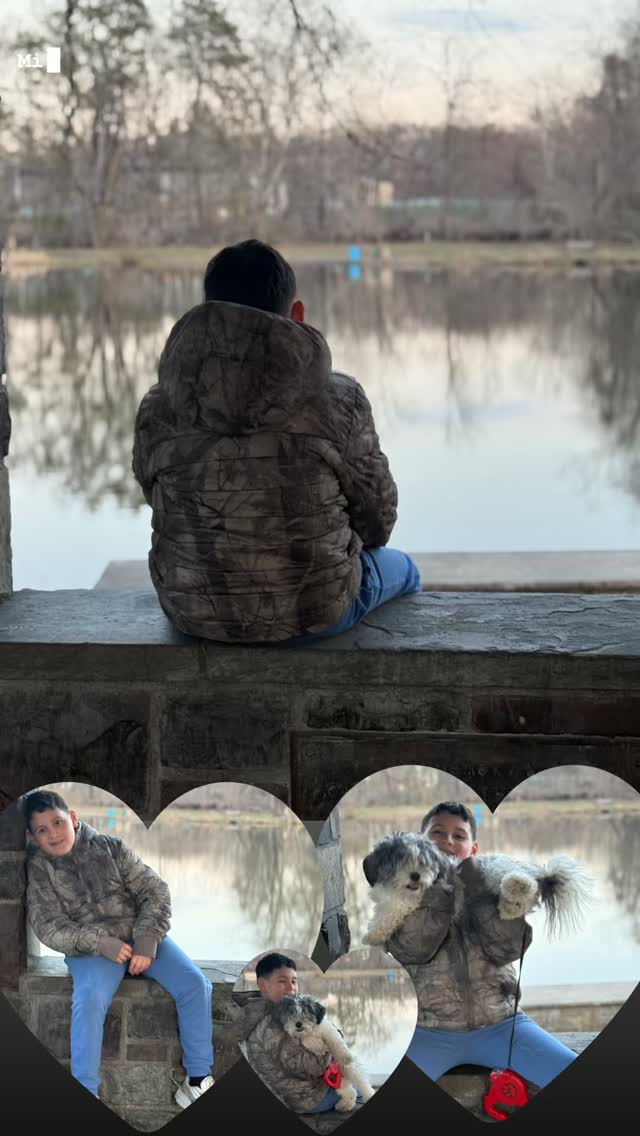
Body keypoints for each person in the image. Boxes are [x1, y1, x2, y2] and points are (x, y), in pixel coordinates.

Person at [132, 238, 421, 644]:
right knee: (406, 570)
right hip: (316, 612)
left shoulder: (159, 406)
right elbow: (377, 519)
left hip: (192, 613)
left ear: (208, 311)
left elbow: (157, 497)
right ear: (296, 315)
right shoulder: (338, 400)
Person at [21, 789, 214, 1109]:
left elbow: (154, 890)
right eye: (42, 830)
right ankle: (86, 1087)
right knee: (90, 998)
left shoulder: (111, 847)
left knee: (196, 985)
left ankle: (196, 1079)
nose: (53, 834)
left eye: (57, 823)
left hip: (140, 936)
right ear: (33, 836)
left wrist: (147, 940)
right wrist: (99, 943)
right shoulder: (40, 871)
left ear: (72, 818)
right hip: (91, 951)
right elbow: (49, 927)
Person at [388, 801, 578, 1094]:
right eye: (437, 832)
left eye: (459, 836)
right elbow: (413, 949)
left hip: (503, 1027)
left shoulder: (494, 885)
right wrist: (438, 893)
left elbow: (506, 950)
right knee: (367, 1093)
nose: (448, 841)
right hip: (429, 1032)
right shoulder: (399, 895)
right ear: (419, 842)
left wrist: (479, 892)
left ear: (473, 849)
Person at [229, 952, 360, 1115]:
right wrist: (331, 1048)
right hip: (306, 1098)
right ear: (262, 984)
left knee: (355, 1075)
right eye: (282, 981)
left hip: (302, 1090)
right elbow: (309, 1068)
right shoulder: (272, 1023)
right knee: (359, 1085)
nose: (291, 988)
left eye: (293, 981)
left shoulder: (277, 1009)